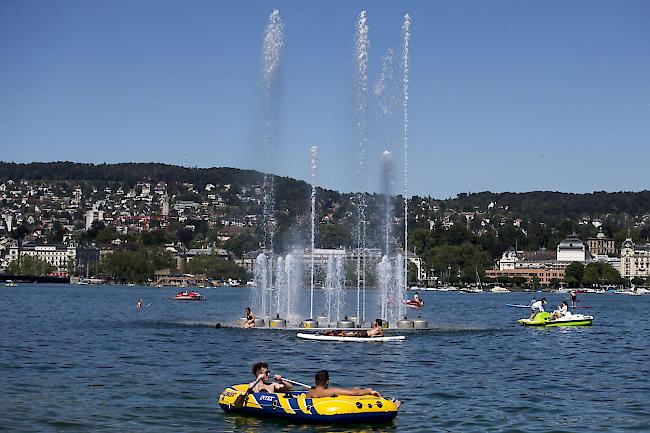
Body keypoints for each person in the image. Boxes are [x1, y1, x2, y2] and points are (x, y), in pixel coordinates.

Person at [307, 370, 400, 408]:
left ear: (315, 381)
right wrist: (367, 390)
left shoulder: (310, 393)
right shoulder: (330, 391)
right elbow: (354, 393)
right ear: (327, 381)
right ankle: (391, 405)